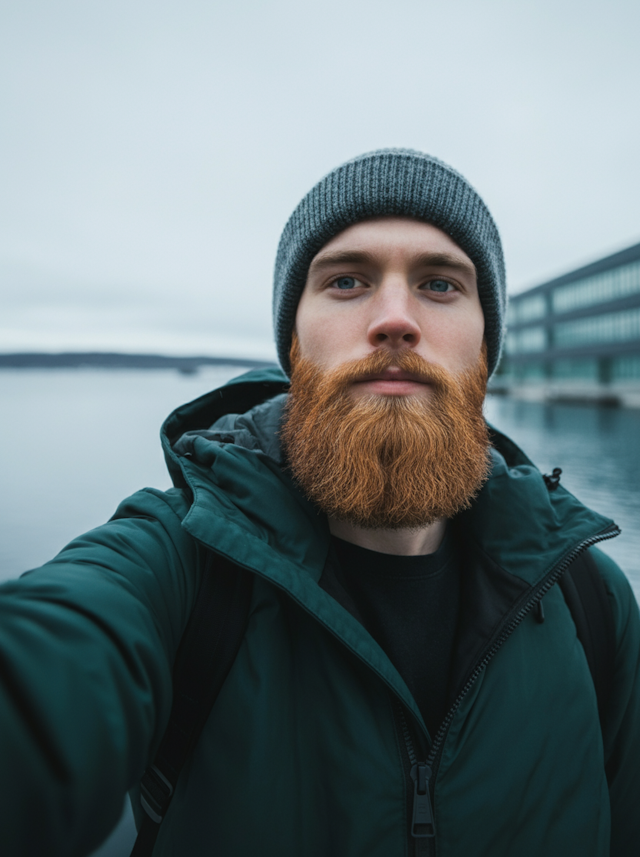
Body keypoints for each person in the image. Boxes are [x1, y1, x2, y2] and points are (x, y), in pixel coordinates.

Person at [1, 148, 639, 857]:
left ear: (486, 346)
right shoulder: (179, 567)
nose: (395, 320)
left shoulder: (592, 602)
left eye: (438, 284)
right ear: (293, 344)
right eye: (345, 281)